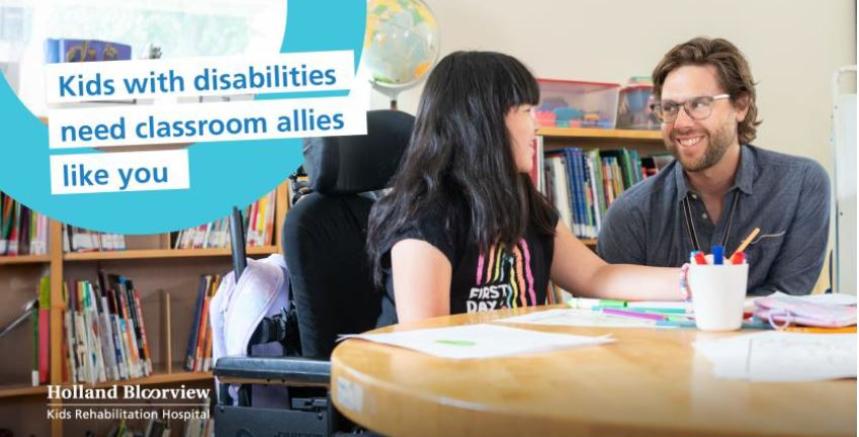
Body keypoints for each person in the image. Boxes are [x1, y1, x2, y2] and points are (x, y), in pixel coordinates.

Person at [367, 51, 684, 323]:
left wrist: (691, 281)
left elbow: (594, 276)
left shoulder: (524, 202)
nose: (537, 124)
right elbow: (426, 343)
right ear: (483, 122)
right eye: (526, 111)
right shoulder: (423, 216)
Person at [597, 37, 830, 296]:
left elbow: (788, 302)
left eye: (699, 104)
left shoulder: (801, 185)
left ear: (741, 105)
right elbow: (617, 318)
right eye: (670, 108)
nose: (681, 123)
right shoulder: (629, 215)